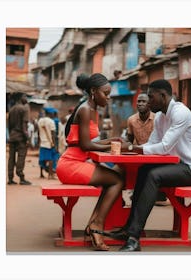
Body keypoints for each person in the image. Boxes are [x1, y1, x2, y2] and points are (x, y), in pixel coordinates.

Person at [110, 79, 191, 252]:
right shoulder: (161, 117)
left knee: (154, 175)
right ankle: (128, 229)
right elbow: (152, 144)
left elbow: (164, 147)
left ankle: (134, 237)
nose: (148, 101)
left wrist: (132, 148)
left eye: (151, 97)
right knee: (144, 170)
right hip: (176, 165)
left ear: (163, 96)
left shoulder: (180, 113)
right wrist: (131, 149)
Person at [56, 73, 124, 251]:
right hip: (71, 164)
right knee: (117, 180)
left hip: (77, 161)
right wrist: (111, 147)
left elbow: (87, 142)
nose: (108, 98)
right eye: (105, 94)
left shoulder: (92, 109)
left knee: (115, 177)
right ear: (93, 91)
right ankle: (96, 226)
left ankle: (94, 224)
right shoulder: (86, 109)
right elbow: (86, 145)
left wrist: (112, 140)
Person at [126, 93, 168, 206]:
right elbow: (129, 141)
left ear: (149, 104)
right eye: (138, 101)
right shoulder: (131, 120)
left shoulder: (158, 118)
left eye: (143, 101)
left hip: (156, 156)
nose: (140, 104)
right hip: (139, 155)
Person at [7, 93, 32, 185]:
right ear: (21, 98)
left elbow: (9, 126)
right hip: (20, 137)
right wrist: (27, 138)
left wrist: (10, 135)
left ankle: (10, 178)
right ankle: (21, 176)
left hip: (12, 136)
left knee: (11, 158)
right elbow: (24, 126)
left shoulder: (12, 109)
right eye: (25, 96)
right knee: (21, 157)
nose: (26, 98)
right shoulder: (24, 109)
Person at [38, 108, 57, 179]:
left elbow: (38, 132)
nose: (53, 115)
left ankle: (41, 174)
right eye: (52, 113)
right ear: (50, 114)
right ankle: (50, 174)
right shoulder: (51, 121)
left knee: (42, 159)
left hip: (42, 143)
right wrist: (54, 144)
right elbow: (53, 134)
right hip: (49, 144)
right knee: (51, 159)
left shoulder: (40, 120)